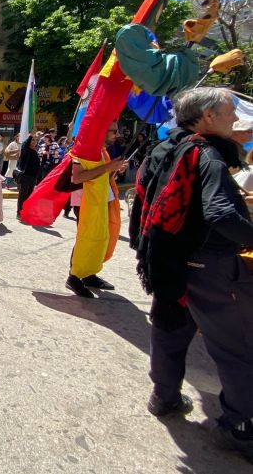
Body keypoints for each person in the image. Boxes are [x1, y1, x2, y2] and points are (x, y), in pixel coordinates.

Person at [130, 87, 253, 464]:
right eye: (230, 110)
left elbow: (144, 201)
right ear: (208, 117)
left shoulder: (165, 148)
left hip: (169, 260)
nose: (235, 119)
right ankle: (240, 426)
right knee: (237, 348)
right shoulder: (207, 155)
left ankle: (163, 396)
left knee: (170, 327)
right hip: (210, 266)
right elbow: (219, 214)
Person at [64, 122, 127, 297]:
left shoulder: (102, 151)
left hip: (102, 199)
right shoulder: (83, 151)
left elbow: (101, 175)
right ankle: (74, 276)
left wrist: (115, 170)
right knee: (86, 238)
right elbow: (77, 177)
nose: (117, 134)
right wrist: (108, 167)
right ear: (101, 131)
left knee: (100, 238)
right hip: (85, 201)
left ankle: (89, 274)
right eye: (113, 130)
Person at [15, 135, 40, 220]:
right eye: (32, 140)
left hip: (33, 177)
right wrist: (31, 136)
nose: (34, 142)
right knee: (22, 195)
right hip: (25, 176)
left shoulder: (35, 151)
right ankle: (19, 213)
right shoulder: (26, 150)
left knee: (29, 196)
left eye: (35, 140)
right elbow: (25, 144)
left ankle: (26, 212)